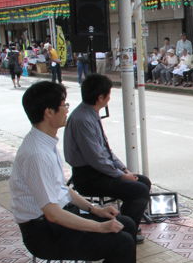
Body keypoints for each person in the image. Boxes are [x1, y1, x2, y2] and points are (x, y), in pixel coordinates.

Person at [9, 81, 145, 263]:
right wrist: (100, 227)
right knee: (120, 241)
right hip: (44, 233)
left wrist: (97, 211)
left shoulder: (45, 143)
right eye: (63, 105)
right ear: (48, 112)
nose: (66, 110)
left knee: (125, 224)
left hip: (58, 220)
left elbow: (63, 191)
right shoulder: (36, 153)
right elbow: (52, 213)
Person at [64, 74, 152, 244]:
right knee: (138, 190)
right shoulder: (82, 119)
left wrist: (124, 170)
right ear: (100, 97)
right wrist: (119, 175)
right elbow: (96, 158)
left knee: (143, 182)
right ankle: (126, 233)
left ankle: (127, 225)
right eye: (109, 95)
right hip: (89, 176)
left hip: (100, 171)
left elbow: (106, 151)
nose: (109, 98)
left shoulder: (90, 113)